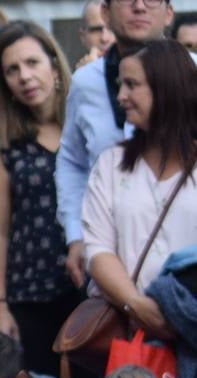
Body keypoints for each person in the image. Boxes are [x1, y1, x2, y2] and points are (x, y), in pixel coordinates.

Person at [82, 39, 197, 345]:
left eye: (132, 85)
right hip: (134, 339)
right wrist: (138, 305)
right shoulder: (111, 164)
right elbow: (98, 249)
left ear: (166, 88)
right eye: (121, 85)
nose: (121, 96)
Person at [58, 0, 175, 291]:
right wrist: (76, 234)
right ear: (106, 12)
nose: (139, 6)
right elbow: (72, 160)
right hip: (106, 259)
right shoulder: (86, 82)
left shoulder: (192, 74)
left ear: (169, 13)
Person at [0, 23, 78, 378]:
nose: (24, 76)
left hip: (89, 289)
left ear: (54, 66)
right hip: (30, 294)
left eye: (32, 63)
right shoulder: (5, 143)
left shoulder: (85, 128)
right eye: (12, 70)